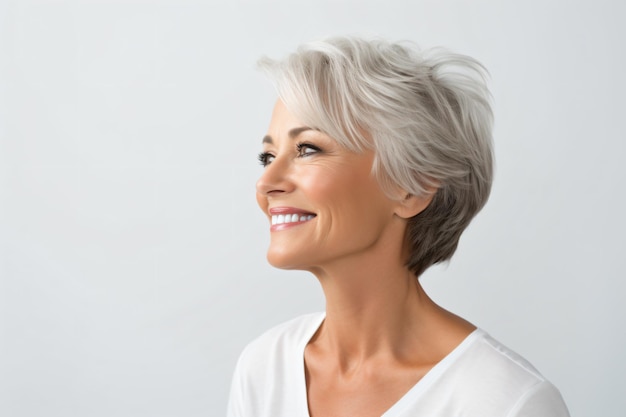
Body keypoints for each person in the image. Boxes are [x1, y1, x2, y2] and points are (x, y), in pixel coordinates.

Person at [227, 37, 569, 417]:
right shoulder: (264, 367)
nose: (266, 182)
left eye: (308, 149)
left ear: (412, 188)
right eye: (267, 156)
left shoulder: (504, 402)